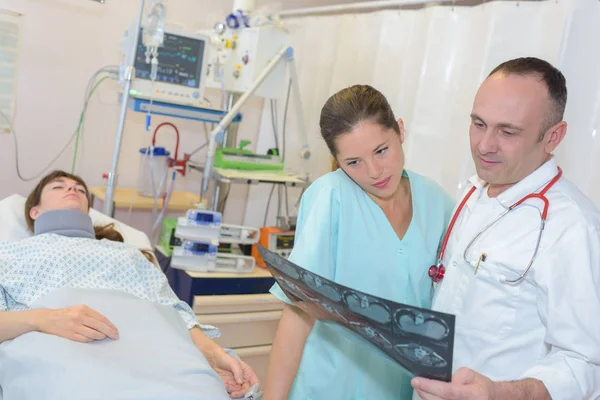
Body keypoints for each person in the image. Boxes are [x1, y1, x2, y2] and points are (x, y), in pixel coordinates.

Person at [411, 57, 600, 399]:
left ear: (553, 137)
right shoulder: (472, 192)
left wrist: (498, 393)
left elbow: (584, 362)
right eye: (479, 124)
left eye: (508, 131)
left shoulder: (572, 227)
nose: (485, 145)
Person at [263, 85, 455, 400]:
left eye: (382, 150)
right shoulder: (331, 197)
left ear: (400, 131)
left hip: (402, 388)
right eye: (354, 162)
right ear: (337, 160)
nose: (375, 171)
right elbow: (299, 310)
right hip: (329, 386)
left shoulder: (437, 202)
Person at [0, 170, 259, 399]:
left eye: (80, 189)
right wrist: (42, 319)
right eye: (59, 186)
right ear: (35, 212)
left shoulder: (128, 253)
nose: (72, 189)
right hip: (64, 347)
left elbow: (174, 312)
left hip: (157, 349)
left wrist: (212, 354)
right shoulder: (9, 254)